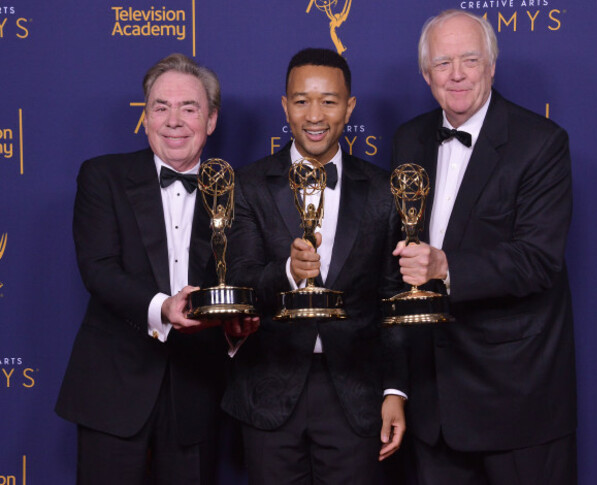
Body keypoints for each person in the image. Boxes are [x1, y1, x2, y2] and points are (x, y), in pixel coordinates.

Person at [391, 10, 577, 485]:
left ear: (492, 67)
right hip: (433, 408)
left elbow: (537, 260)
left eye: (470, 60)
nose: (456, 74)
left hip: (517, 403)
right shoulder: (408, 140)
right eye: (443, 62)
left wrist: (446, 266)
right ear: (425, 74)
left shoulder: (541, 143)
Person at [56, 53, 257, 485]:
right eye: (160, 107)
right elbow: (98, 269)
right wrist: (163, 308)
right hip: (111, 387)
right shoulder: (102, 176)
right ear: (145, 118)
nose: (174, 120)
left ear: (212, 120)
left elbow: (243, 276)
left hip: (197, 390)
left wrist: (234, 327)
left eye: (189, 108)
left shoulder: (238, 192)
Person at [221, 48, 406, 484]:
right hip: (268, 390)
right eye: (302, 101)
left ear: (350, 107)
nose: (315, 115)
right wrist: (288, 272)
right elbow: (240, 280)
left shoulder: (384, 190)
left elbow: (394, 298)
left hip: (356, 396)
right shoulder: (246, 185)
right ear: (284, 106)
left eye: (329, 100)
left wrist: (395, 390)